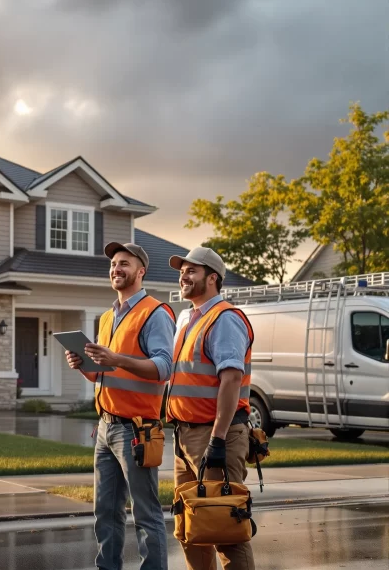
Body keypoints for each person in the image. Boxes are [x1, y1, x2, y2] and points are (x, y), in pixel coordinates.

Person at [65, 241, 175, 570]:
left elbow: (164, 368)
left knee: (146, 515)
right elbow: (103, 373)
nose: (116, 268)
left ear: (141, 271)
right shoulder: (108, 316)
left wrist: (117, 359)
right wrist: (83, 364)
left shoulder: (155, 313)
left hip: (136, 431)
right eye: (114, 263)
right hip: (105, 428)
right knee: (106, 513)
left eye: (124, 263)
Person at [166, 246, 255, 570]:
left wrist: (217, 440)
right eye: (181, 271)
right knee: (191, 527)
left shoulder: (225, 319)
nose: (183, 277)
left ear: (212, 278)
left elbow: (231, 380)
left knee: (225, 530)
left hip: (215, 437)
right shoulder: (186, 317)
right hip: (185, 436)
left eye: (191, 271)